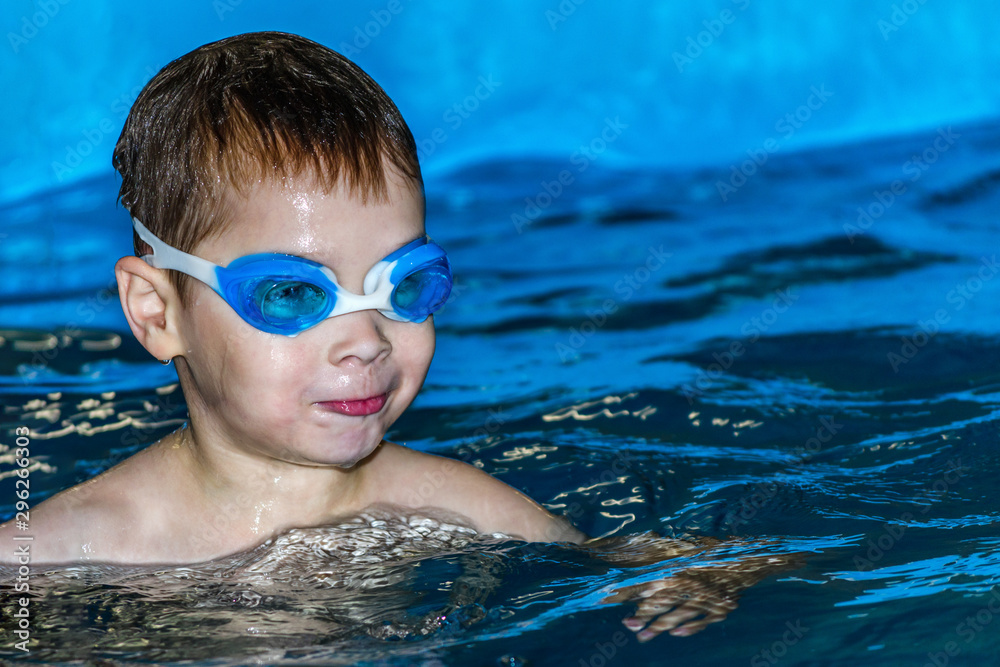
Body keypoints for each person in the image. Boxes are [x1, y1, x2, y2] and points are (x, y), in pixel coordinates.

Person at [0, 32, 786, 640]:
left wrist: (708, 576)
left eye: (402, 286)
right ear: (156, 312)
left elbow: (670, 562)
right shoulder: (57, 552)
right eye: (291, 293)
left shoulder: (452, 504)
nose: (368, 340)